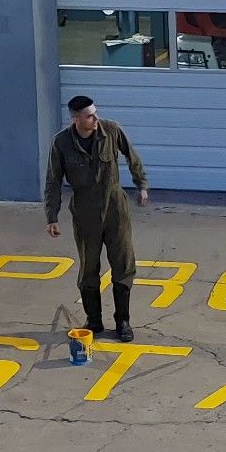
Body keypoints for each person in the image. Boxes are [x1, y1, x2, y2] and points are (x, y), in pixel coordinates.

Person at [44, 96, 149, 341]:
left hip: (115, 208)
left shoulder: (111, 131)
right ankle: (94, 320)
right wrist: (51, 216)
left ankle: (123, 321)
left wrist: (141, 184)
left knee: (123, 265)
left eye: (95, 113)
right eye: (90, 115)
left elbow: (132, 157)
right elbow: (53, 181)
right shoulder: (61, 143)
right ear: (76, 119)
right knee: (89, 267)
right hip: (85, 211)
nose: (95, 118)